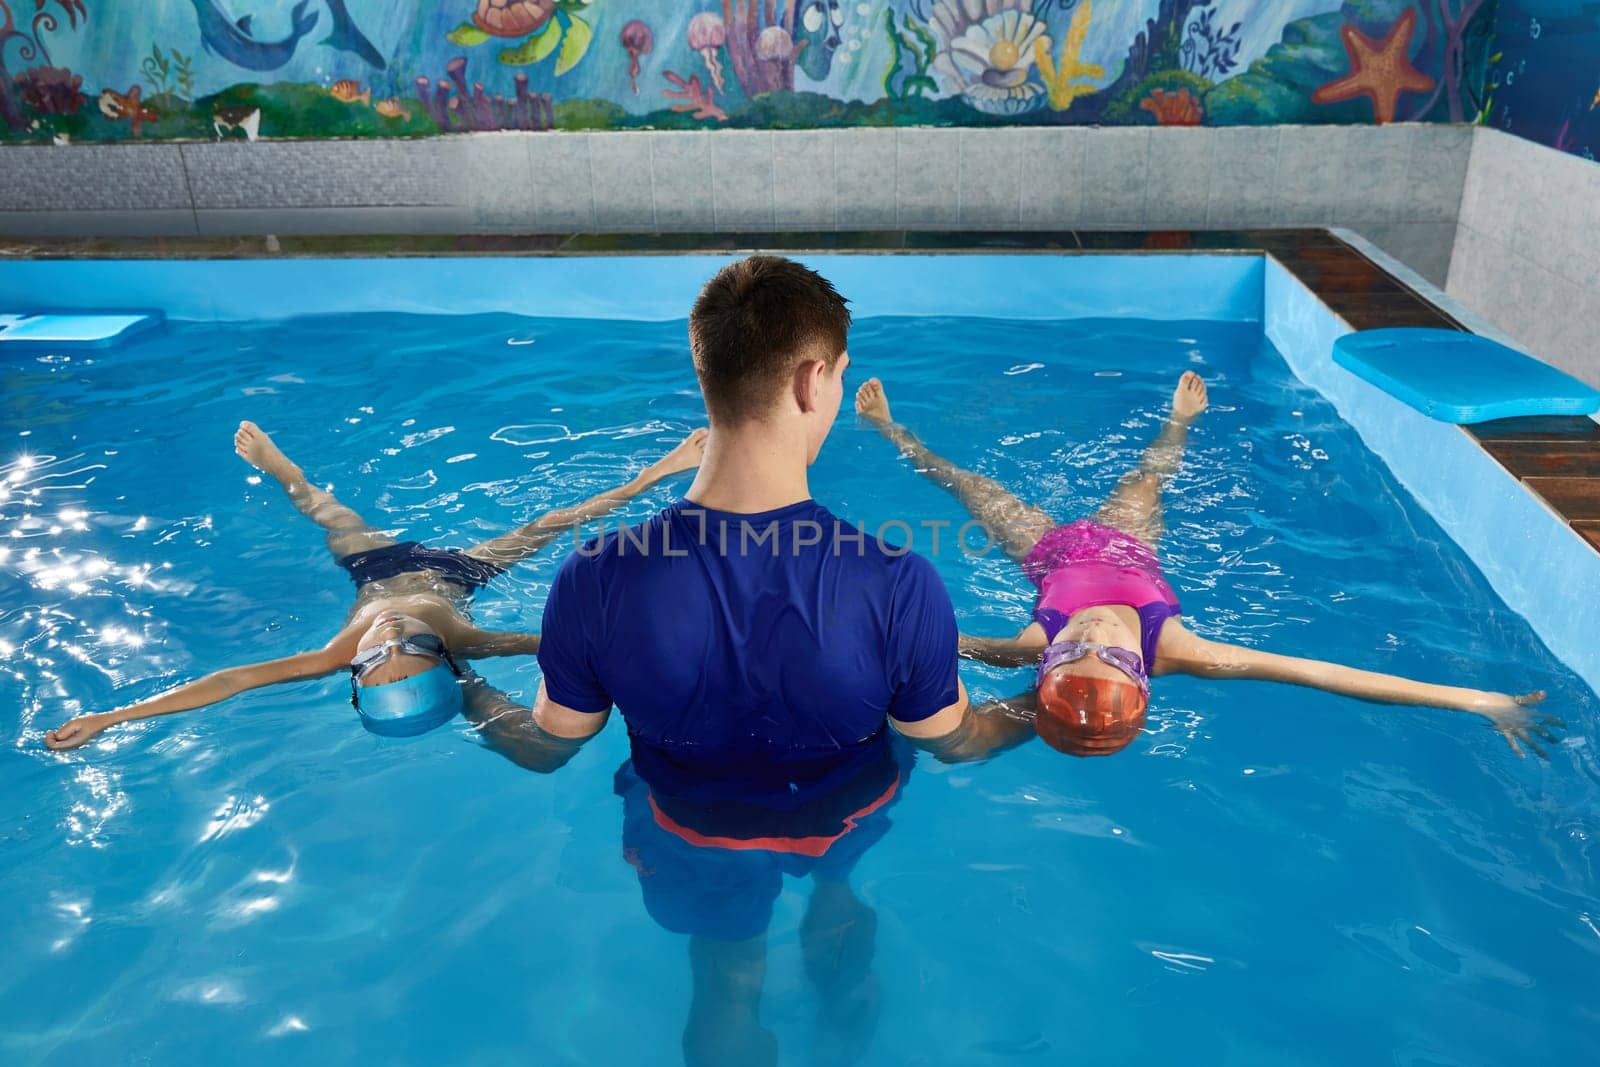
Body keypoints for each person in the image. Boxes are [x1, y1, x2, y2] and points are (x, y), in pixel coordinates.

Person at [469, 256, 1026, 1067]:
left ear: (709, 371)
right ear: (811, 380)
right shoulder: (897, 582)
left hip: (689, 826)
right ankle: (839, 963)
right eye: (839, 379)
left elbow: (546, 744)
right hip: (844, 811)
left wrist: (462, 685)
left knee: (725, 979)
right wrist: (1044, 704)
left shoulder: (595, 577)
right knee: (839, 894)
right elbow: (957, 738)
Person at [854, 370, 1564, 760]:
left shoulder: (1040, 647)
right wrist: (1478, 700)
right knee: (1147, 480)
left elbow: (951, 645)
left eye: (1072, 647)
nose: (1090, 631)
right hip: (1130, 547)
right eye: (1097, 648)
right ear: (1136, 667)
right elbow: (1329, 675)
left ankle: (893, 434)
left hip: (1049, 555)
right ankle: (1179, 423)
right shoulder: (1184, 650)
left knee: (976, 488)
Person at [43, 421, 708, 751]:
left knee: (325, 509)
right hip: (457, 572)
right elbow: (562, 644)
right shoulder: (466, 636)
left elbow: (230, 681)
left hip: (374, 571)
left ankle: (282, 467)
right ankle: (657, 471)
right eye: (408, 652)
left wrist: (114, 716)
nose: (386, 641)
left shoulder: (336, 652)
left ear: (354, 675)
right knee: (549, 524)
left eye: (372, 662)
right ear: (444, 657)